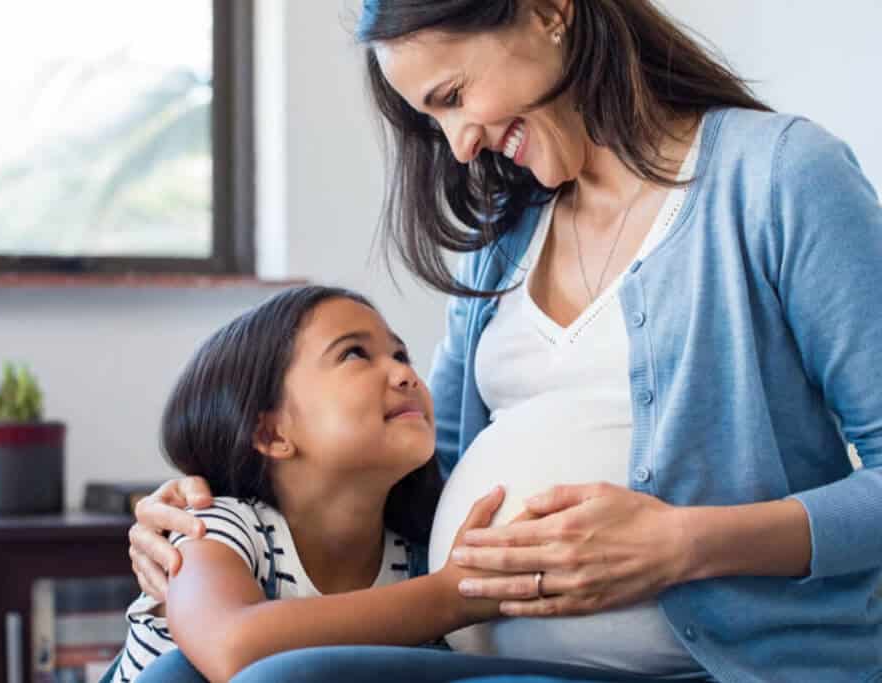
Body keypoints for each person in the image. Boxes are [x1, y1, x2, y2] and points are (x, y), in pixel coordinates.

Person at [125, 1, 882, 681]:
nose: (458, 146)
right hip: (474, 654)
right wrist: (208, 515)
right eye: (434, 119)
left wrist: (684, 543)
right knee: (171, 674)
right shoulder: (501, 241)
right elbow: (428, 479)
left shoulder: (779, 178)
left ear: (550, 11)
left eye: (453, 97)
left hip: (715, 662)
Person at [112, 285, 658, 683]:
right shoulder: (217, 530)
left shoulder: (411, 554)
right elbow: (231, 647)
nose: (403, 374)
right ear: (271, 431)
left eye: (401, 354)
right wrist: (452, 595)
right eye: (355, 354)